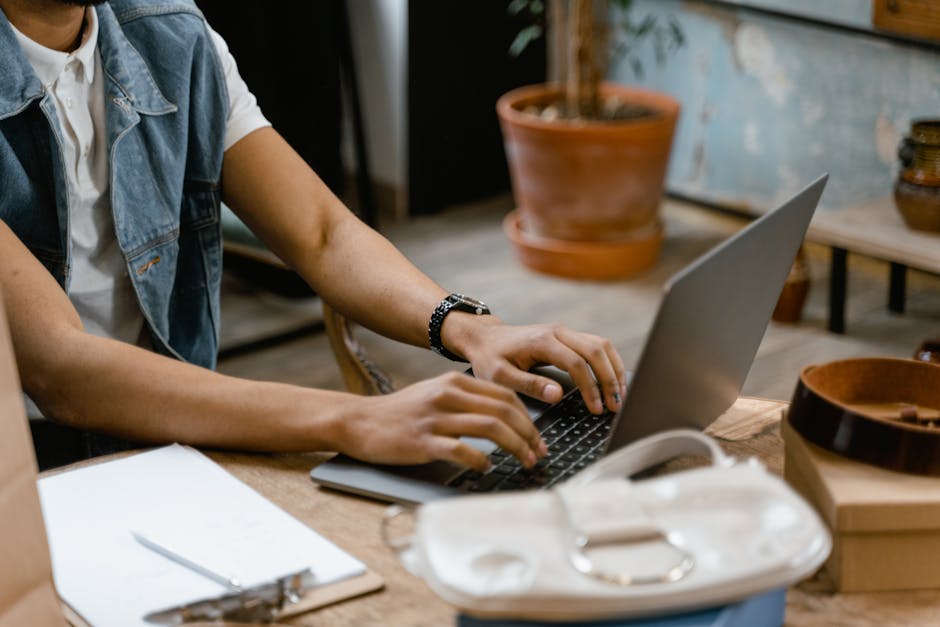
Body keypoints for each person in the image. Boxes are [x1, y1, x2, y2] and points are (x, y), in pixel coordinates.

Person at [0, 0, 627, 472]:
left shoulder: (169, 34)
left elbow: (322, 233)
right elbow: (60, 368)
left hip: (172, 437)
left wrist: (470, 328)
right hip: (28, 471)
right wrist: (353, 417)